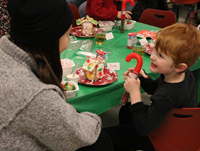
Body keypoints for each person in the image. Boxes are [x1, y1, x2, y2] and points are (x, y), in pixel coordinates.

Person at [0, 0, 113, 150]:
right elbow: (80, 134)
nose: (67, 42)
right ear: (49, 40)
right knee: (102, 142)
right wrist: (93, 118)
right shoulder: (36, 95)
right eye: (67, 35)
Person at [103, 23, 200, 151]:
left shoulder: (166, 95)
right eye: (155, 50)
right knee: (126, 111)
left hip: (162, 136)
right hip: (176, 125)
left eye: (160, 55)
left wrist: (135, 93)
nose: (152, 57)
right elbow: (157, 89)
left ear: (179, 67)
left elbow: (144, 129)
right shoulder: (182, 75)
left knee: (105, 137)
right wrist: (142, 79)